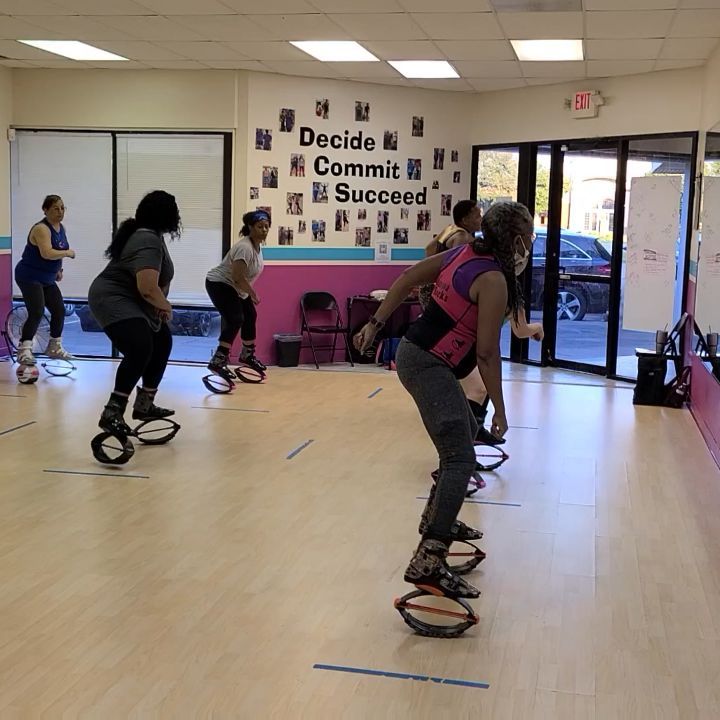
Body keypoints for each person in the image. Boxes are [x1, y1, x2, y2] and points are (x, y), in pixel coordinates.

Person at [354, 201, 535, 599]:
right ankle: (429, 559)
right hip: (427, 364)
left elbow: (407, 277)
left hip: (420, 355)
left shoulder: (466, 252)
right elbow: (487, 353)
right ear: (516, 241)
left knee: (465, 431)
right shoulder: (493, 279)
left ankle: (439, 517)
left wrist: (375, 323)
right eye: (529, 236)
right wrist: (501, 409)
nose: (531, 243)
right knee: (460, 458)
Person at [420, 200, 543, 446]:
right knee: (479, 387)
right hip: (445, 345)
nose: (480, 219)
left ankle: (470, 434)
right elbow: (516, 332)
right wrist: (538, 328)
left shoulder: (455, 238)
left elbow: (427, 253)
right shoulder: (488, 273)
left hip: (439, 328)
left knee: (480, 384)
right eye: (476, 215)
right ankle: (465, 443)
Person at [88, 190, 180, 438]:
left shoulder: (152, 237)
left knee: (162, 341)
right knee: (140, 346)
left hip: (133, 300)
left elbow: (157, 282)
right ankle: (113, 411)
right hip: (112, 298)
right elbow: (147, 287)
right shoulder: (146, 239)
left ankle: (144, 404)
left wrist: (158, 303)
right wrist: (165, 306)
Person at [206, 210, 269, 381]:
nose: (264, 230)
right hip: (220, 284)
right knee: (235, 319)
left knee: (250, 315)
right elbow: (237, 277)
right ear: (250, 227)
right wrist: (253, 293)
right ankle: (218, 360)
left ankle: (247, 355)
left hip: (237, 287)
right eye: (260, 226)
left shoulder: (257, 246)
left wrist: (248, 292)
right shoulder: (244, 248)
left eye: (266, 226)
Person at [14, 194, 75, 365]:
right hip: (29, 276)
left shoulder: (61, 228)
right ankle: (24, 350)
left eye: (62, 208)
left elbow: (59, 249)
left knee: (59, 310)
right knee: (37, 311)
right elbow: (47, 253)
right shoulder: (41, 229)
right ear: (45, 210)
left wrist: (58, 270)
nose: (60, 211)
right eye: (55, 208)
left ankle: (54, 346)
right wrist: (68, 253)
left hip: (47, 277)